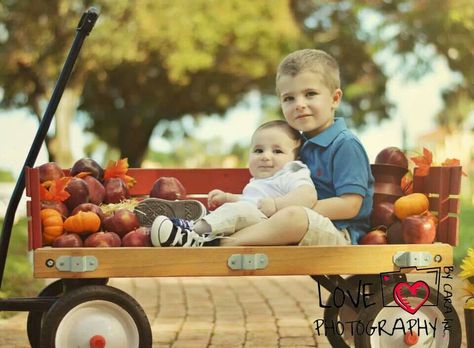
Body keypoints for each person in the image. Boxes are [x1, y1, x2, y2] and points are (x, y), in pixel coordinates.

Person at [146, 48, 374, 247]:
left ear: (334, 99)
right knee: (245, 211)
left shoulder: (345, 144)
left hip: (339, 232)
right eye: (289, 98)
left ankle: (217, 243)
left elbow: (350, 205)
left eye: (310, 94)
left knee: (294, 216)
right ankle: (191, 230)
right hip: (282, 218)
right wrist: (238, 200)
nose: (299, 105)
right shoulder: (297, 145)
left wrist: (287, 209)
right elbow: (271, 189)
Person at [146, 120, 318, 247]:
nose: (265, 156)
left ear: (296, 158)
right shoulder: (260, 182)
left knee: (240, 210)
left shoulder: (291, 171)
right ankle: (189, 228)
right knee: (233, 210)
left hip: (267, 225)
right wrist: (228, 197)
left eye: (277, 151)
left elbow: (307, 195)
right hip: (249, 222)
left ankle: (192, 232)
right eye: (258, 150)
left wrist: (276, 204)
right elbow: (249, 202)